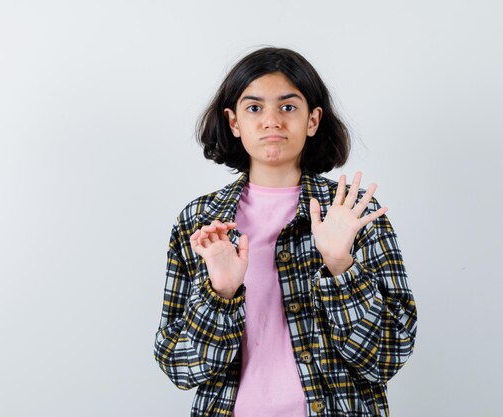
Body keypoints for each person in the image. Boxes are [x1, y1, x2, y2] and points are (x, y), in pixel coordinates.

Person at [153, 47, 417, 417]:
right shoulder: (200, 220)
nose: (272, 121)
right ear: (233, 122)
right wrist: (222, 293)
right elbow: (180, 367)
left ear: (313, 120)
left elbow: (387, 357)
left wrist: (340, 266)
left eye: (289, 107)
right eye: (254, 108)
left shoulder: (354, 213)